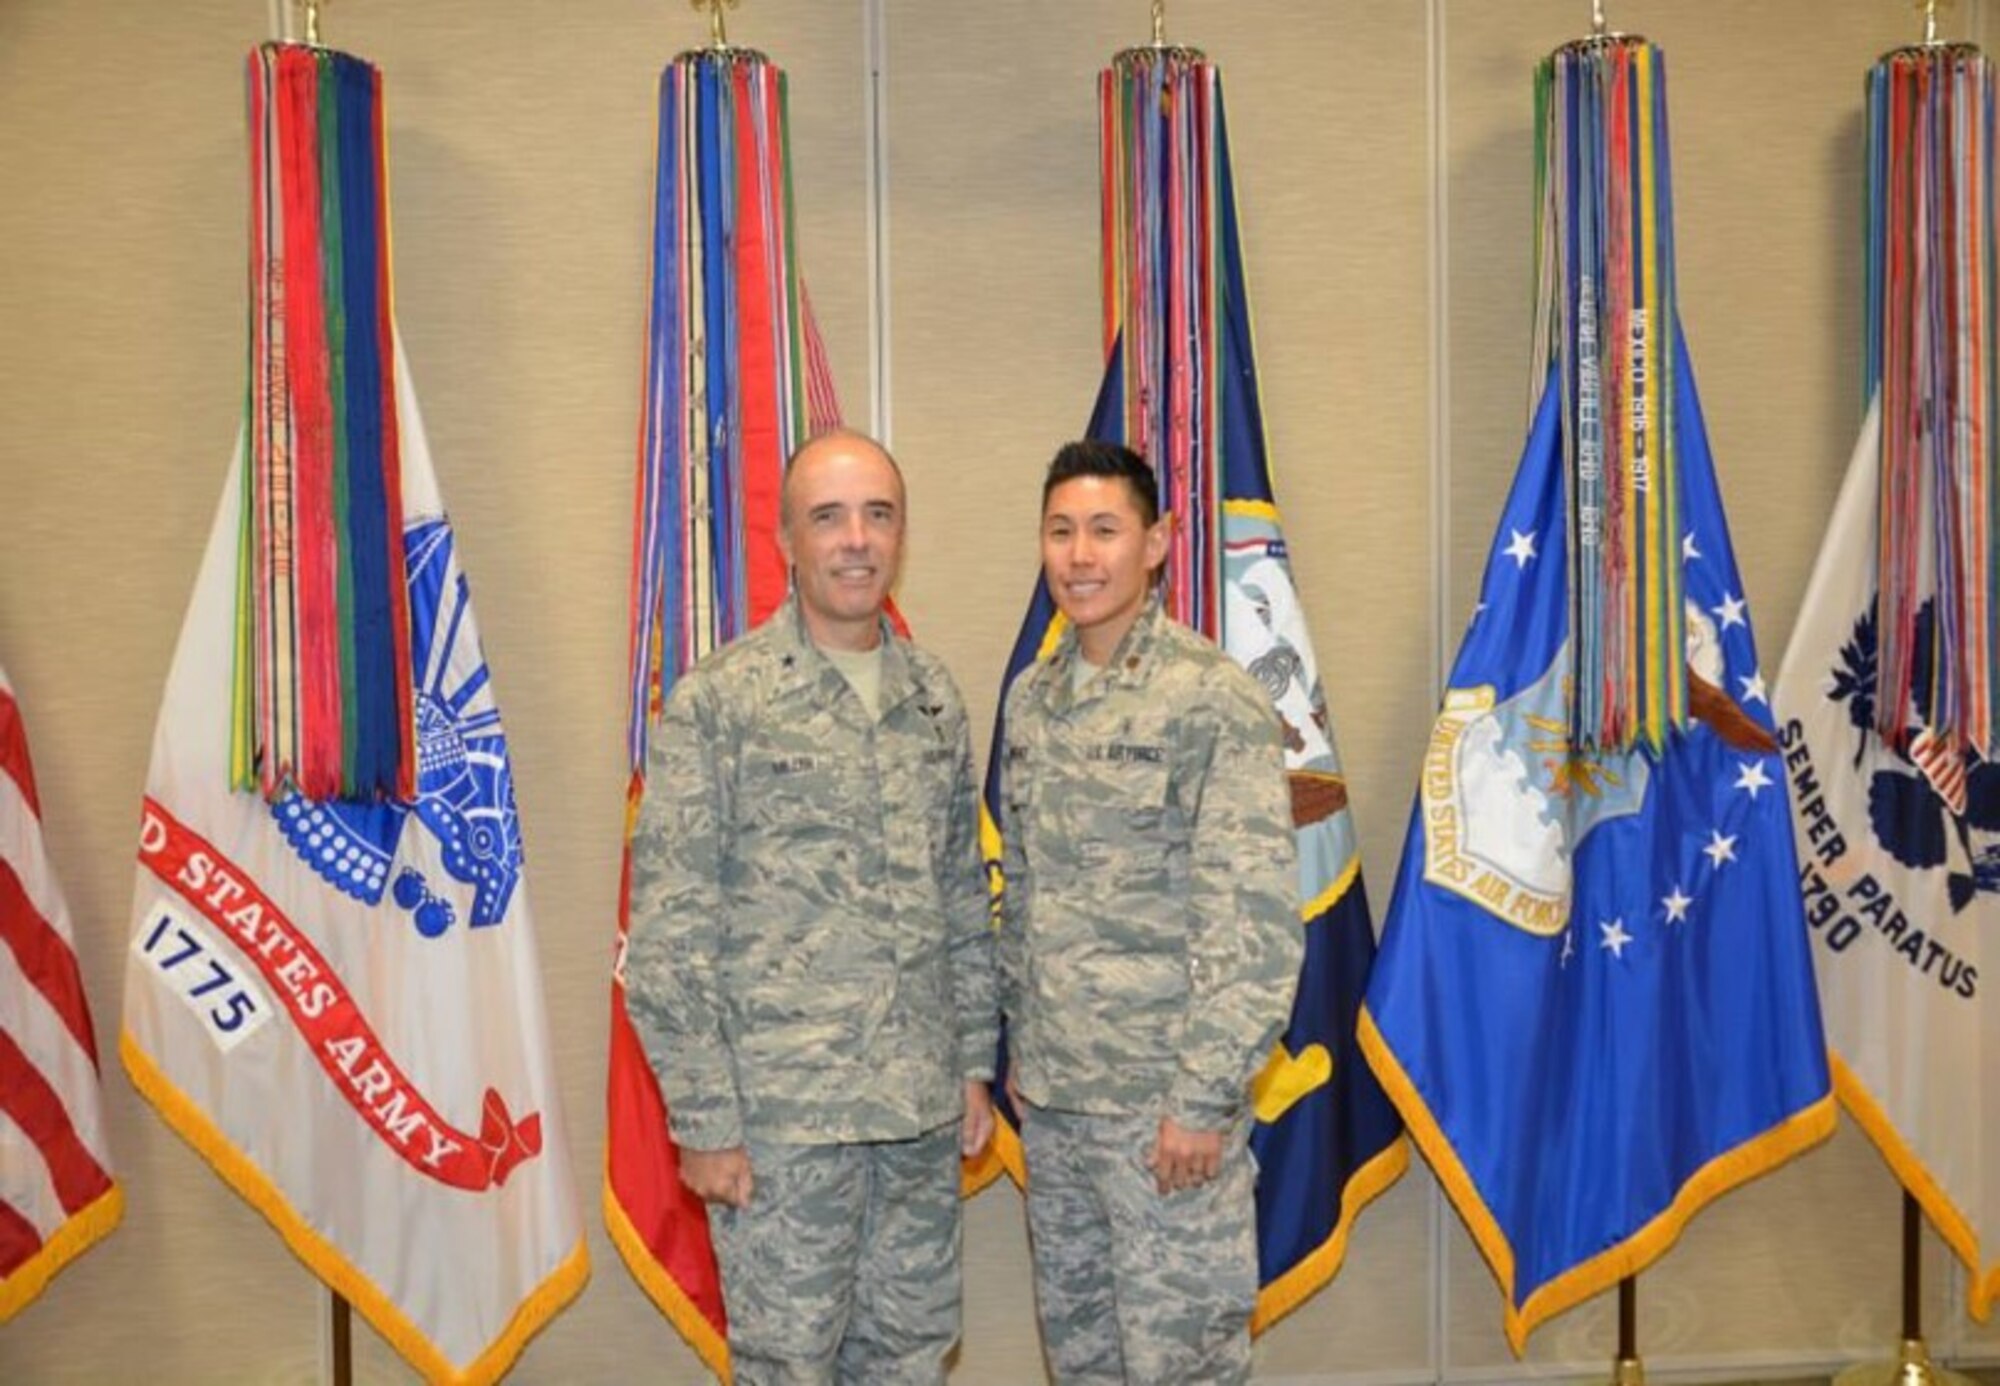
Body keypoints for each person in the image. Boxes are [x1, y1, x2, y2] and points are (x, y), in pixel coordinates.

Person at [625, 429, 998, 1385]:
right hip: (782, 1130)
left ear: (901, 534)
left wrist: (971, 1066)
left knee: (911, 1360)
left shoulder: (932, 701)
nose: (856, 540)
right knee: (791, 1366)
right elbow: (670, 935)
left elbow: (960, 894)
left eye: (878, 514)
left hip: (916, 1117)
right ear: (788, 539)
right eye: (828, 517)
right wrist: (704, 1119)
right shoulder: (721, 703)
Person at [997, 439, 1301, 1384]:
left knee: (1181, 1368)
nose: (1079, 556)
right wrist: (1022, 1060)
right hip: (1058, 1110)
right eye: (1060, 532)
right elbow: (1027, 897)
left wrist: (1203, 1100)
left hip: (1165, 1119)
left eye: (1104, 530)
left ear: (1158, 541)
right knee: (1083, 1365)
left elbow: (1251, 921)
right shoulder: (1034, 702)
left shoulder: (1210, 698)